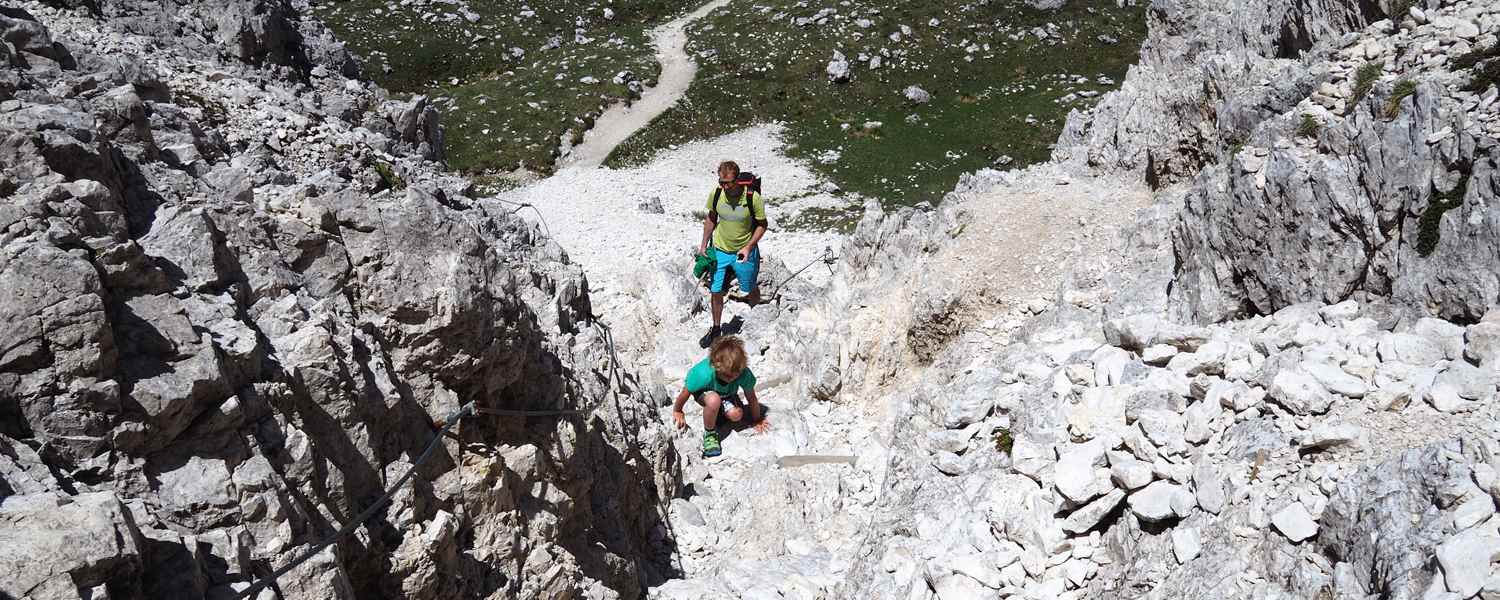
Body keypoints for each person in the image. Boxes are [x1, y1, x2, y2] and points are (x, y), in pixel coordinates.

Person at [697, 160, 768, 348]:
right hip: (720, 249)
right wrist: (704, 244)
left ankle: (755, 319)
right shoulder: (717, 194)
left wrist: (749, 247)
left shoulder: (752, 198)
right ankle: (715, 328)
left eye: (728, 182)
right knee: (715, 289)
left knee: (749, 286)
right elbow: (711, 218)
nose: (725, 186)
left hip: (744, 250)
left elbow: (762, 225)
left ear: (738, 180)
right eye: (721, 182)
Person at [671, 336, 770, 457]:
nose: (731, 379)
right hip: (705, 393)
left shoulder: (742, 373)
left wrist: (757, 419)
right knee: (714, 400)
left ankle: (720, 413)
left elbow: (751, 397)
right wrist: (678, 410)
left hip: (727, 395)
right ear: (715, 367)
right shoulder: (702, 374)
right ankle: (710, 434)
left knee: (736, 415)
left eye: (735, 376)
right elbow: (685, 392)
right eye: (727, 376)